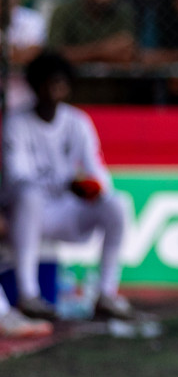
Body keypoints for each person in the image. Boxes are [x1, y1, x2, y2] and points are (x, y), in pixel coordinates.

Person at [2, 51, 134, 323]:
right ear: (35, 85)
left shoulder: (78, 122)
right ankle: (29, 296)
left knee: (118, 203)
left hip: (67, 210)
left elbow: (98, 172)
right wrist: (66, 182)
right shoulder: (16, 122)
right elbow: (17, 176)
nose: (54, 90)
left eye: (60, 83)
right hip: (26, 216)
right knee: (29, 196)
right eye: (48, 83)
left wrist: (91, 188)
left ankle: (106, 294)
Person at [47, 0, 136, 103]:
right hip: (73, 94)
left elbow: (127, 54)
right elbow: (55, 55)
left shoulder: (123, 10)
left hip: (114, 95)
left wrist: (78, 54)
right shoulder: (64, 11)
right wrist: (104, 50)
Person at [4, 0, 46, 112]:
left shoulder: (32, 19)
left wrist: (5, 51)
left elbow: (33, 55)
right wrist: (17, 51)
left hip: (25, 94)